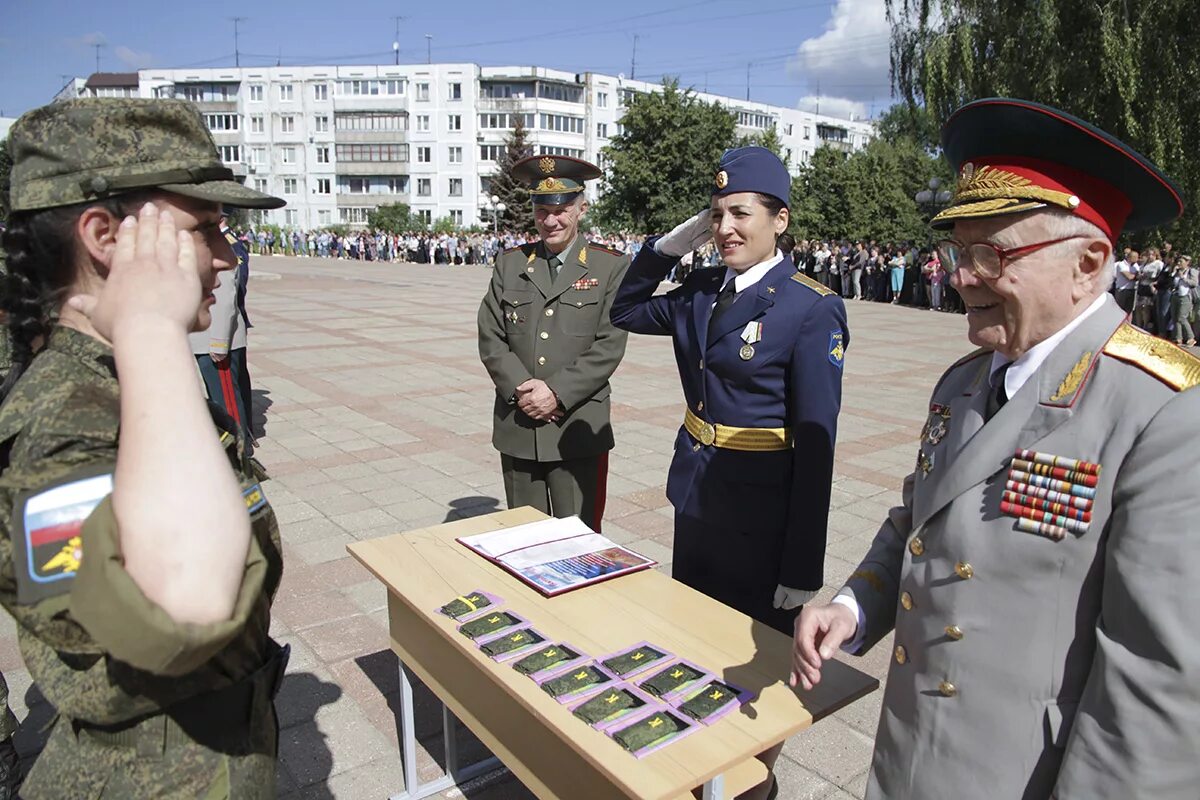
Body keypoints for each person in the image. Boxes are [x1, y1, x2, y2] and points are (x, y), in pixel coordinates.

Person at [792, 98, 1200, 800]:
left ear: (1090, 262)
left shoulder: (1164, 412)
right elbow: (920, 523)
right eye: (958, 250)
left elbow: (1157, 688)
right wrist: (856, 607)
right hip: (910, 757)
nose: (960, 276)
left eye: (991, 253)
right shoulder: (965, 382)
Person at [0, 97, 288, 798]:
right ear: (104, 236)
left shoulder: (122, 382)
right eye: (205, 228)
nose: (225, 256)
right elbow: (185, 608)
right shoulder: (66, 415)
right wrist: (151, 325)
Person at [611, 147, 848, 800]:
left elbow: (817, 444)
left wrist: (802, 569)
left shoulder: (809, 308)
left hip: (762, 520)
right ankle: (699, 769)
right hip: (697, 500)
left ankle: (752, 786)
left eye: (741, 213)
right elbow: (624, 311)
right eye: (715, 216)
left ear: (780, 220)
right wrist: (666, 247)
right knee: (693, 646)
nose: (725, 229)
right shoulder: (697, 294)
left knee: (756, 666)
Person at [477, 155, 630, 531]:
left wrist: (556, 393)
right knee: (523, 540)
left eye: (561, 210)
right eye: (542, 211)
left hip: (576, 429)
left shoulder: (609, 266)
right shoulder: (511, 264)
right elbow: (490, 334)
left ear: (581, 208)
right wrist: (523, 391)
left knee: (578, 543)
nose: (551, 221)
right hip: (519, 426)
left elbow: (609, 344)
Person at [188, 215, 254, 449]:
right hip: (204, 339)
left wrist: (218, 342)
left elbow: (225, 299)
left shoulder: (217, 248)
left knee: (227, 402)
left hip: (216, 340)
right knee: (218, 397)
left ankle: (239, 449)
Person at [1171, 254, 1197, 347]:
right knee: (1175, 317)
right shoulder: (1177, 271)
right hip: (1175, 295)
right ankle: (1178, 338)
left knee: (1182, 317)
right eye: (1178, 262)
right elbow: (1172, 283)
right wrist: (1173, 273)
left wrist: (1183, 278)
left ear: (1187, 262)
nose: (1179, 263)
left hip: (1185, 296)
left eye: (1181, 262)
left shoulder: (1191, 271)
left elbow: (1194, 283)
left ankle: (1191, 338)